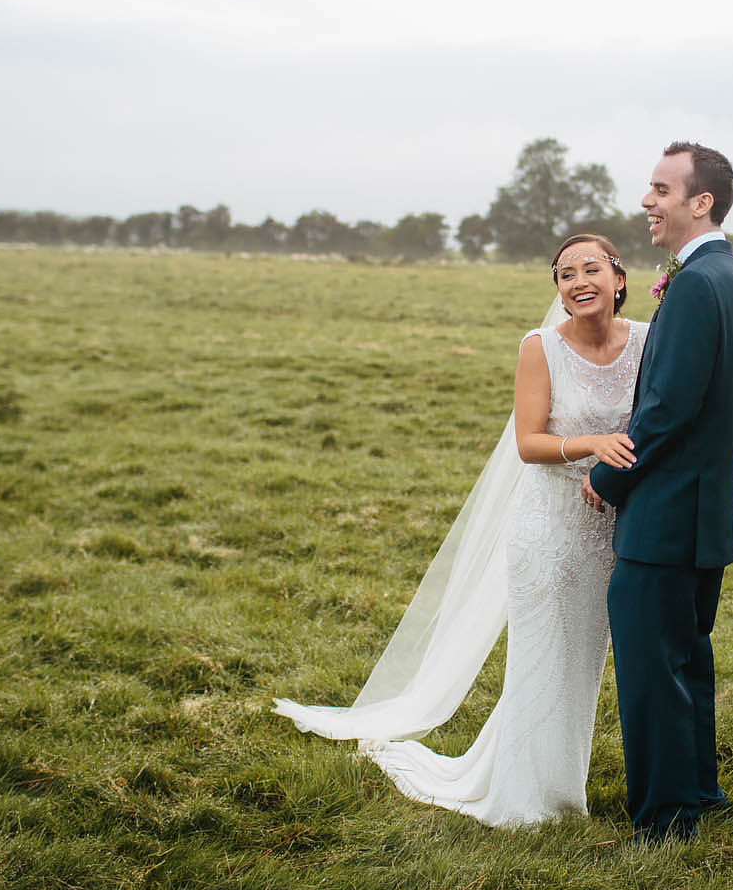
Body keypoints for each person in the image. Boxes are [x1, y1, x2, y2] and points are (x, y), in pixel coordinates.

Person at [274, 234, 646, 827]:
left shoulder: (650, 342)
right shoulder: (539, 347)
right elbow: (529, 443)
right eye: (564, 274)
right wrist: (592, 445)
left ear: (619, 278)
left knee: (581, 665)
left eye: (591, 269)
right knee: (540, 660)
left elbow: (681, 400)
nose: (578, 282)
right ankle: (529, 801)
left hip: (609, 534)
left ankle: (549, 780)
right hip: (548, 529)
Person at [585, 143, 733, 844]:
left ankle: (664, 820)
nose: (646, 202)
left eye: (660, 189)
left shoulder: (695, 284)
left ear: (702, 203)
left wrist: (606, 477)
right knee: (687, 658)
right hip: (705, 511)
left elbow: (665, 408)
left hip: (663, 516)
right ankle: (696, 793)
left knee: (652, 671)